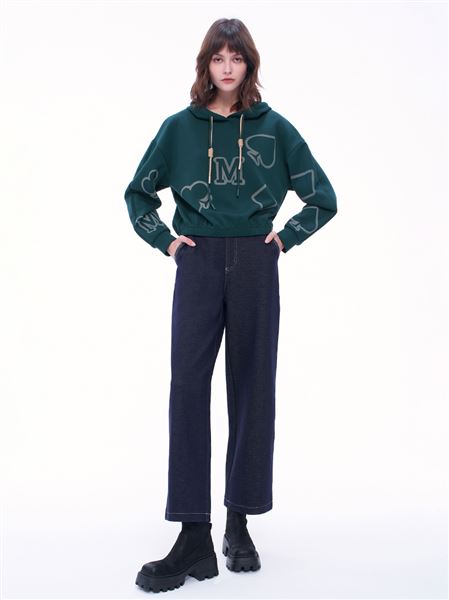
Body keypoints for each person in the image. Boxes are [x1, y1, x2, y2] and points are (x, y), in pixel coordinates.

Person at [124, 17, 337, 593]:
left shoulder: (275, 128)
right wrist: (167, 241)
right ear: (205, 64)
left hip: (254, 262)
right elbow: (138, 192)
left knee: (252, 385)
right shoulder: (179, 129)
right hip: (195, 261)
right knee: (188, 388)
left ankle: (239, 522)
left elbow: (323, 196)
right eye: (217, 58)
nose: (226, 67)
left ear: (249, 65)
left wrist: (284, 238)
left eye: (236, 58)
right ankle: (194, 532)